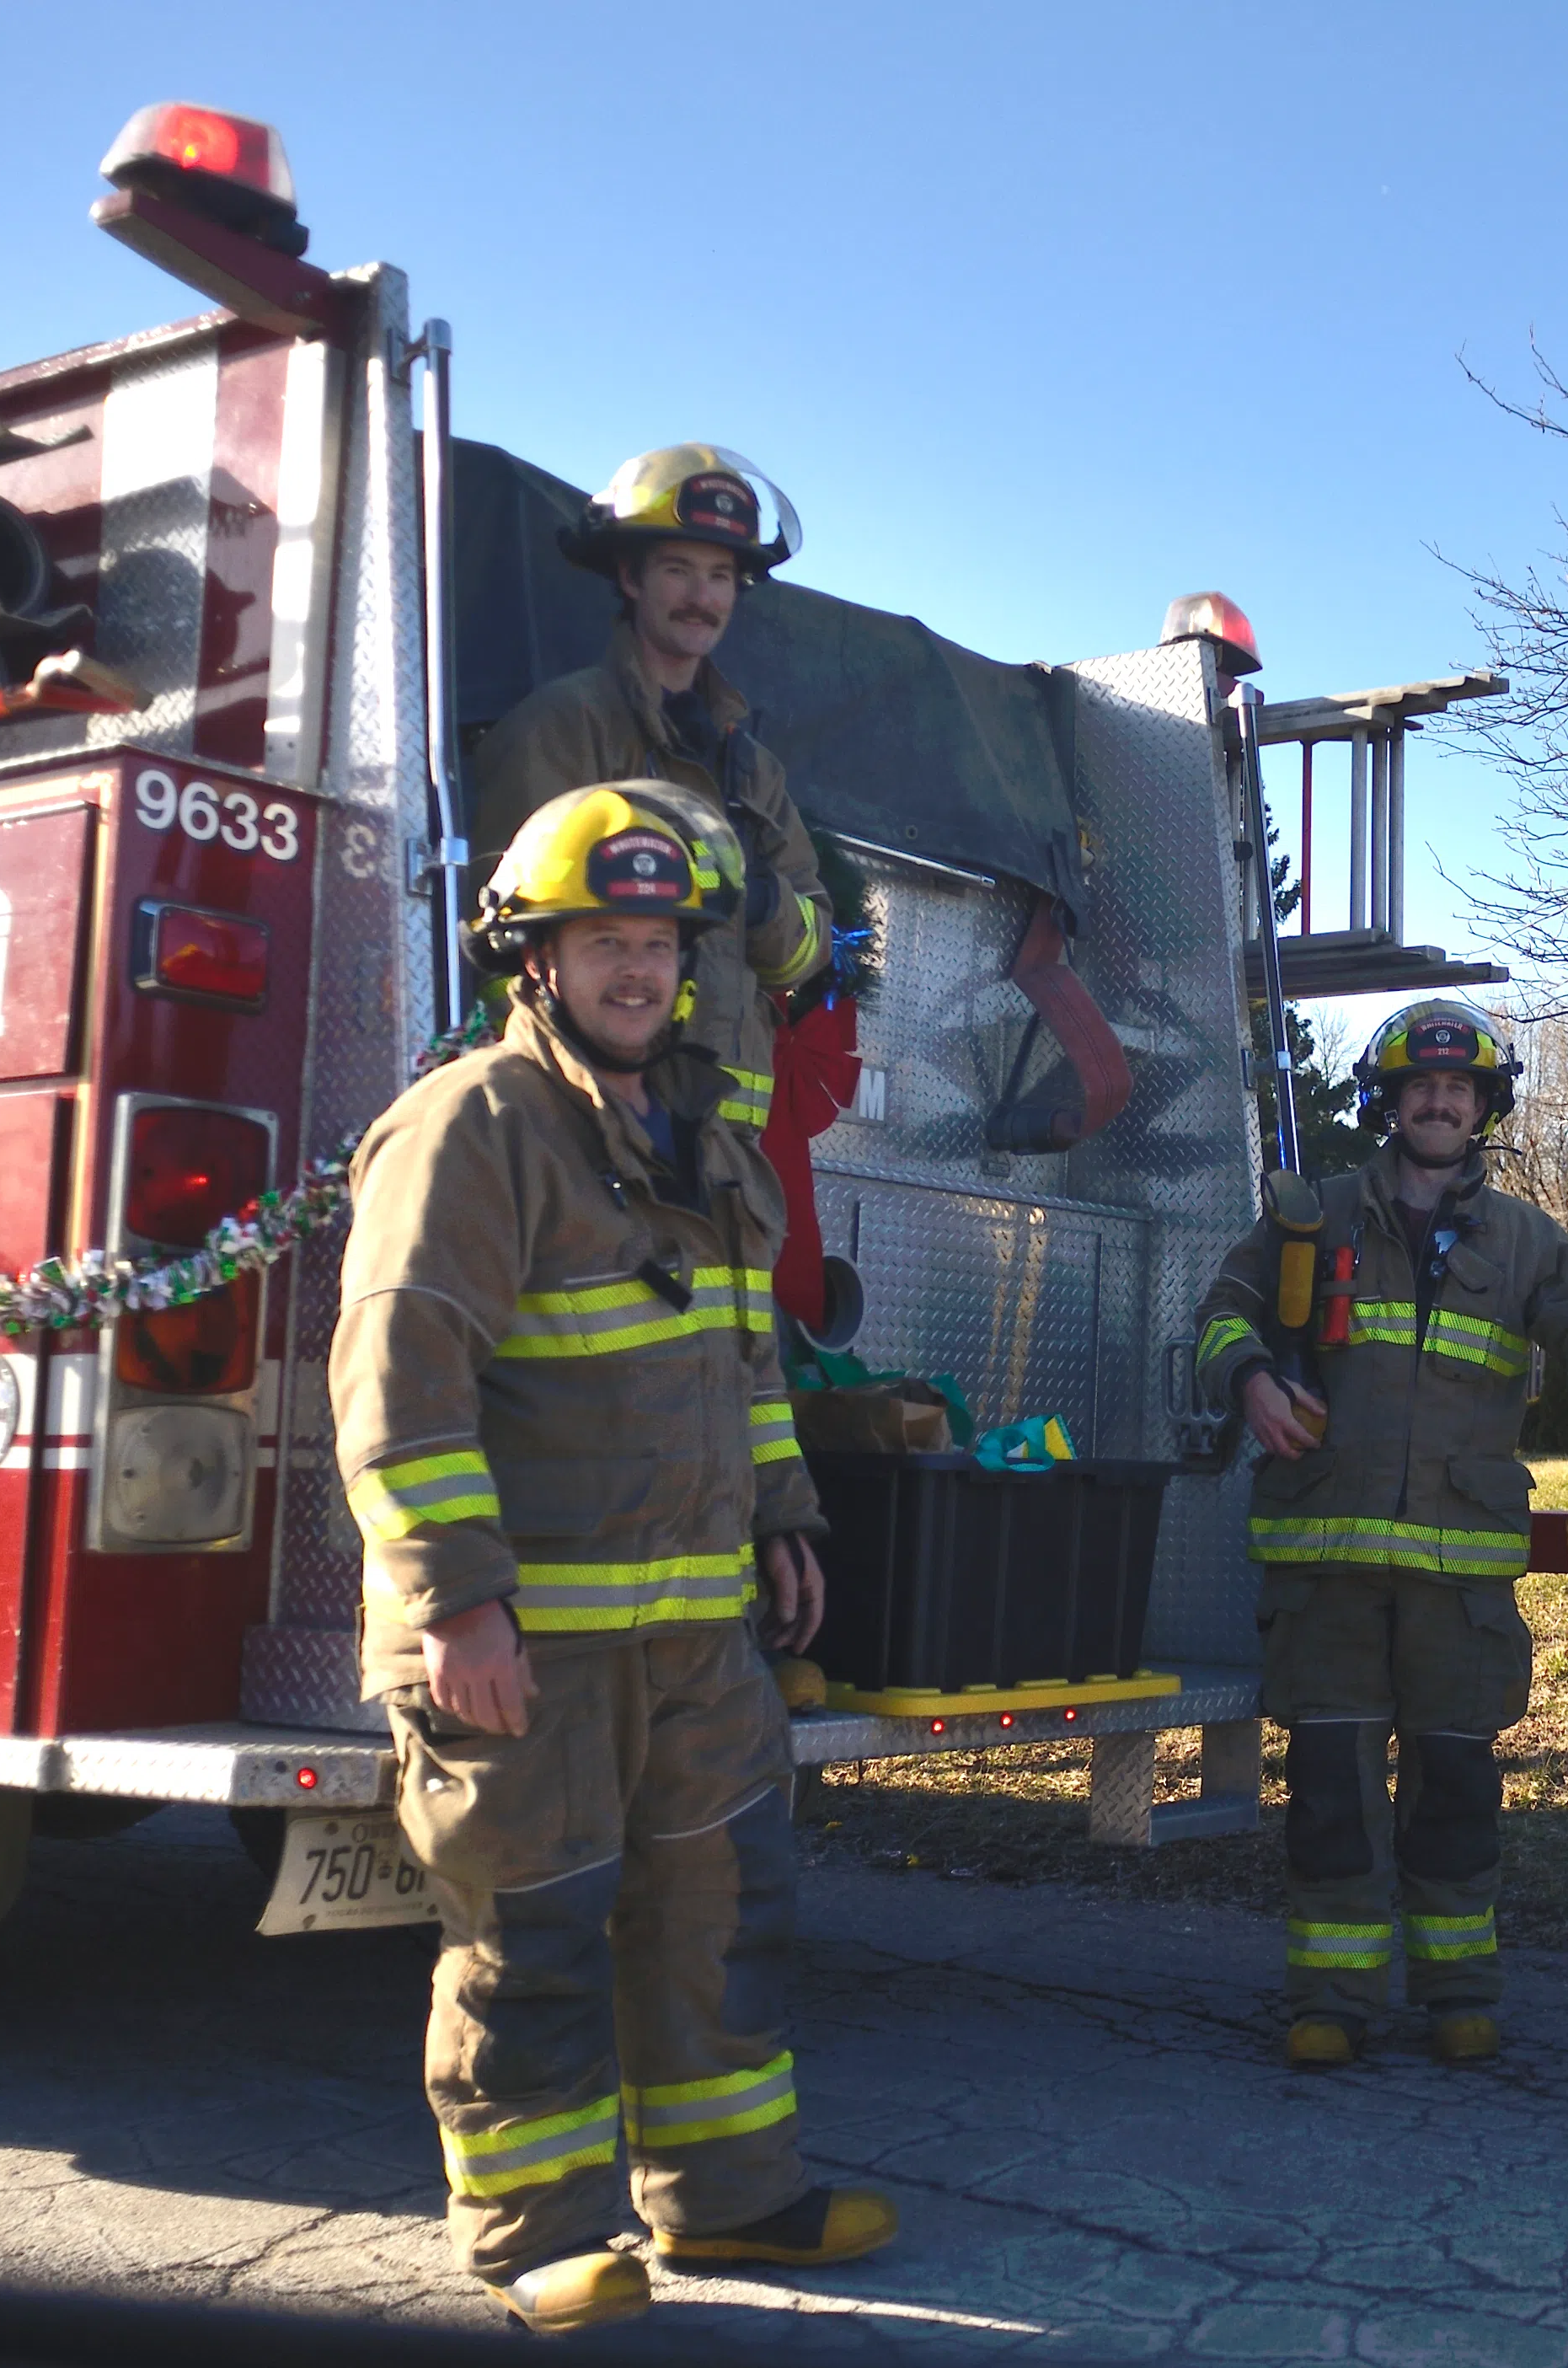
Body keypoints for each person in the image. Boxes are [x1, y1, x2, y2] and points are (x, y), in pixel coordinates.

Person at [329, 788, 895, 2335]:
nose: (636, 971)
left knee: (723, 1913)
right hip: (524, 1648)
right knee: (534, 1937)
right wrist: (459, 1606)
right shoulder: (470, 1129)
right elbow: (401, 1381)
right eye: (604, 942)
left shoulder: (709, 1144)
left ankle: (729, 2203)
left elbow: (745, 1364)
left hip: (693, 1635)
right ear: (537, 958)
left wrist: (784, 1520)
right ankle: (536, 2242)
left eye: (656, 942)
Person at [1193, 999, 1568, 2068]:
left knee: (1455, 1789)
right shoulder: (1308, 1218)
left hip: (1458, 1584)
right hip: (1330, 1574)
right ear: (1388, 1104)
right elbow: (1219, 1313)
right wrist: (1252, 1378)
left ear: (1484, 1105)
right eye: (1421, 1087)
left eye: (1459, 1088)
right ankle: (1331, 1998)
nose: (1440, 1101)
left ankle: (1458, 1989)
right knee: (1331, 1794)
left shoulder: (1528, 1241)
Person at [471, 444, 834, 1138]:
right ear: (631, 577)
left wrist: (758, 897)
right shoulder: (563, 729)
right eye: (679, 570)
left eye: (720, 576)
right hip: (589, 1131)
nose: (702, 598)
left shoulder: (753, 769)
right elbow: (499, 940)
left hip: (727, 1163)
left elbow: (808, 947)